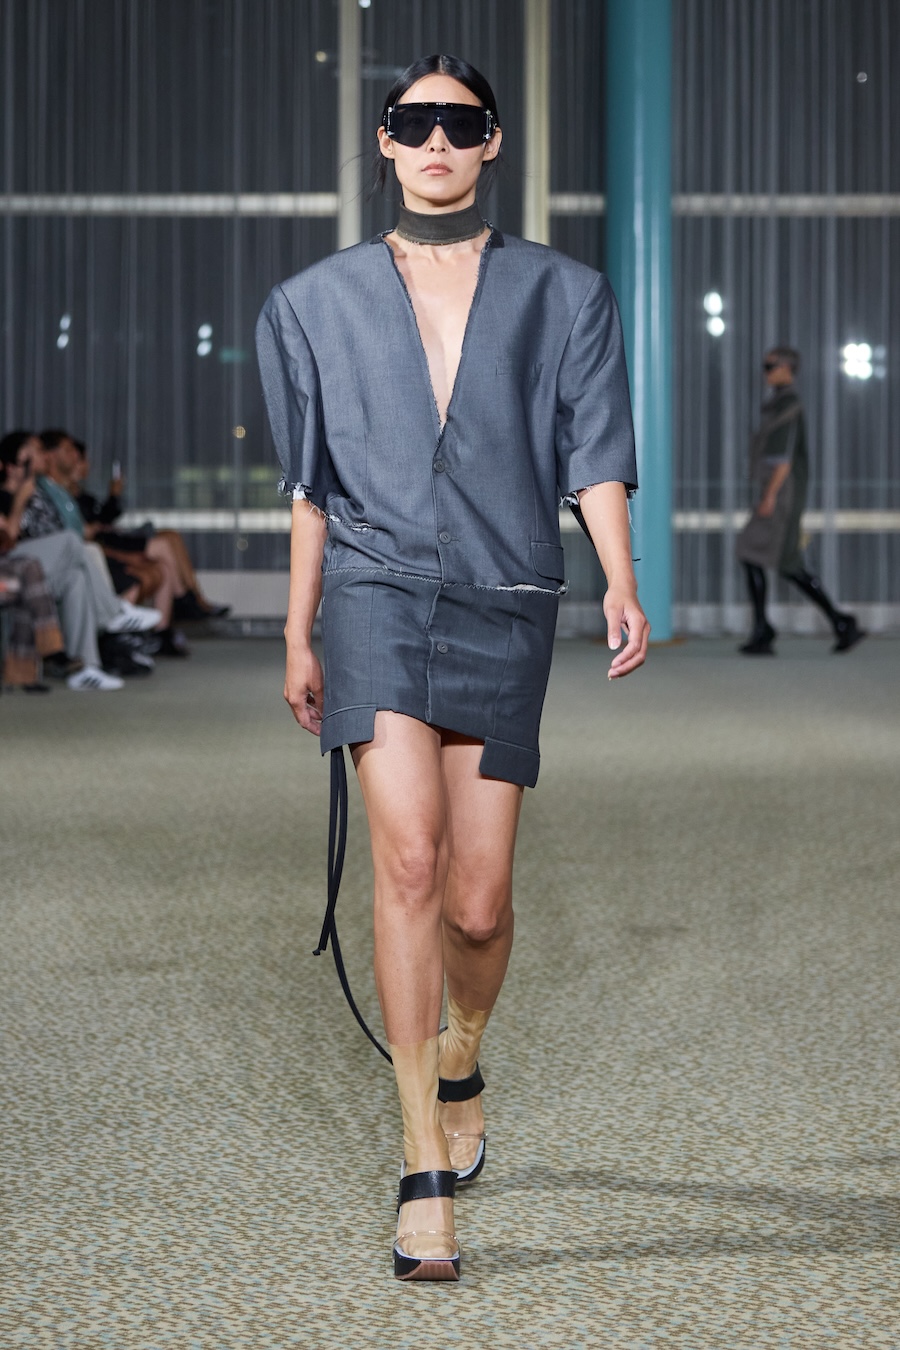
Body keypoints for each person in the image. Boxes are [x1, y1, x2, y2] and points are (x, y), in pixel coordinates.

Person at [256, 54, 648, 1283]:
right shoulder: (310, 303)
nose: (436, 139)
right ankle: (422, 1161)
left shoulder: (566, 293)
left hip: (508, 596)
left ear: (490, 143)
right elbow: (312, 488)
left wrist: (621, 578)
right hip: (375, 597)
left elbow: (594, 450)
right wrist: (298, 629)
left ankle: (461, 1052)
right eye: (414, 121)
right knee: (412, 862)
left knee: (479, 902)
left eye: (459, 122)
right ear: (385, 140)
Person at [0, 430, 159, 689]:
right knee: (71, 541)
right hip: (9, 570)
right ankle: (113, 613)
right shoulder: (5, 496)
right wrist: (19, 500)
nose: (42, 456)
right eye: (34, 452)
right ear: (13, 463)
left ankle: (85, 668)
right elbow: (7, 541)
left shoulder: (39, 493)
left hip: (36, 571)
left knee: (75, 578)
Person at [735, 348, 864, 655]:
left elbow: (783, 460)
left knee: (761, 554)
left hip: (783, 494)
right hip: (781, 492)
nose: (765, 370)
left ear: (786, 368)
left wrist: (769, 496)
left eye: (770, 365)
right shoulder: (780, 402)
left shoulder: (788, 404)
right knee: (775, 559)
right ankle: (837, 623)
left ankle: (772, 630)